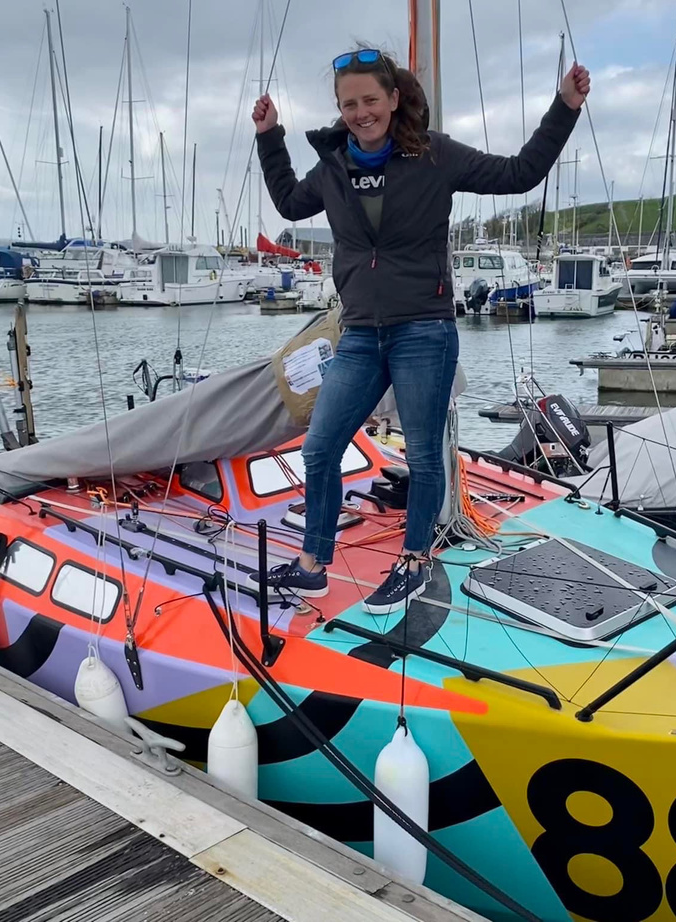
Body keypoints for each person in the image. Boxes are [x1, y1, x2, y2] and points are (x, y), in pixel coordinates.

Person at [253, 47, 590, 614]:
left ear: (392, 99)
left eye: (369, 100)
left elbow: (520, 172)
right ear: (340, 109)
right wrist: (269, 135)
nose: (361, 112)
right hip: (359, 334)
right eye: (348, 103)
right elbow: (288, 201)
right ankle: (313, 565)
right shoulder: (334, 166)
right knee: (320, 448)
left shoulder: (436, 157)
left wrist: (565, 107)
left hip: (424, 332)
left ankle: (415, 561)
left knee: (426, 455)